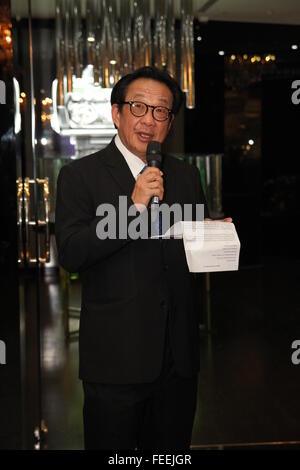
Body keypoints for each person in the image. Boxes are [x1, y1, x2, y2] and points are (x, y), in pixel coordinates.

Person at [55, 66, 229, 450]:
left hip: (178, 360)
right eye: (139, 107)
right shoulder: (80, 176)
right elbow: (71, 252)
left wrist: (214, 236)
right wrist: (132, 208)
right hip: (116, 360)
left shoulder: (184, 176)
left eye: (161, 111)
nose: (149, 119)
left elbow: (187, 255)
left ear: (170, 122)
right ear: (116, 113)